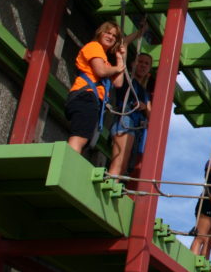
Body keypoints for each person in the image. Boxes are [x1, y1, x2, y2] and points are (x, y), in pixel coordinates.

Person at [65, 22, 126, 154]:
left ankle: (71, 160)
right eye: (107, 33)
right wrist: (117, 68)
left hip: (92, 100)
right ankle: (68, 161)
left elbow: (118, 83)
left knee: (84, 138)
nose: (110, 37)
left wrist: (120, 59)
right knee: (79, 137)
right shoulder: (94, 46)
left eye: (114, 36)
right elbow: (101, 71)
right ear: (100, 33)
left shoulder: (106, 61)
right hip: (85, 96)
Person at [107, 51, 152, 179]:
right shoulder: (126, 79)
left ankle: (114, 184)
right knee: (119, 162)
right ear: (133, 64)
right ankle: (111, 184)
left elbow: (151, 115)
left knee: (124, 165)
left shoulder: (144, 93)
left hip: (135, 125)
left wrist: (144, 107)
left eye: (146, 64)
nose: (143, 65)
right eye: (140, 62)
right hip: (125, 121)